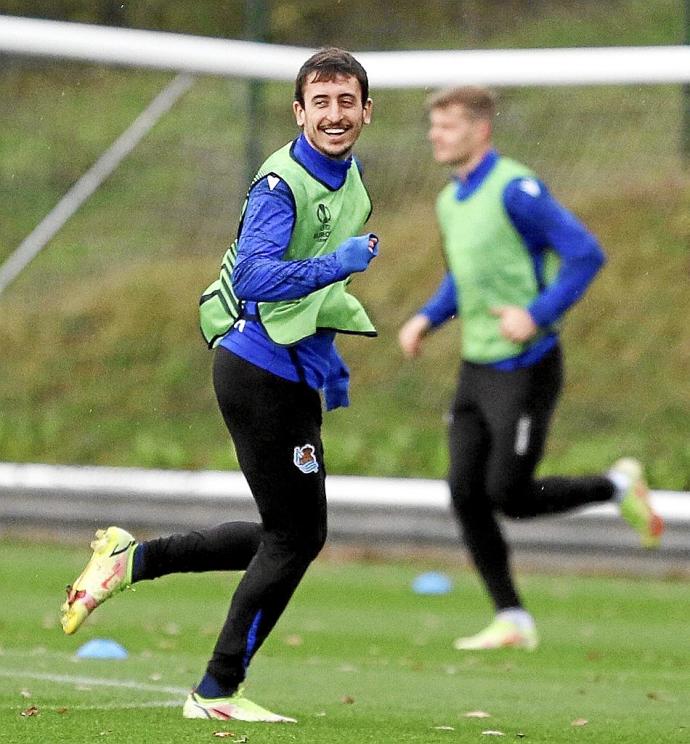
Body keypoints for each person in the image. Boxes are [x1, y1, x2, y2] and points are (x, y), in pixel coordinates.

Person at [60, 47, 379, 722]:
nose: (334, 114)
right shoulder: (279, 183)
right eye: (320, 102)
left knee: (284, 532)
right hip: (256, 370)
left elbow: (312, 295)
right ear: (299, 112)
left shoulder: (353, 187)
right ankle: (215, 691)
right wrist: (337, 263)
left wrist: (332, 359)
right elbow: (262, 281)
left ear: (366, 112)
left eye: (345, 101)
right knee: (297, 537)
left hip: (289, 372)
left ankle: (130, 561)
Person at [398, 86, 664, 651]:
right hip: (477, 367)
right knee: (465, 493)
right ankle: (512, 618)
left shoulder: (517, 190)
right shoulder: (451, 201)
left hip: (528, 366)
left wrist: (536, 314)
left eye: (447, 126)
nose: (435, 136)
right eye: (433, 126)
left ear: (480, 130)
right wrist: (427, 317)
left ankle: (616, 485)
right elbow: (465, 275)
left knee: (508, 495)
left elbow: (586, 253)